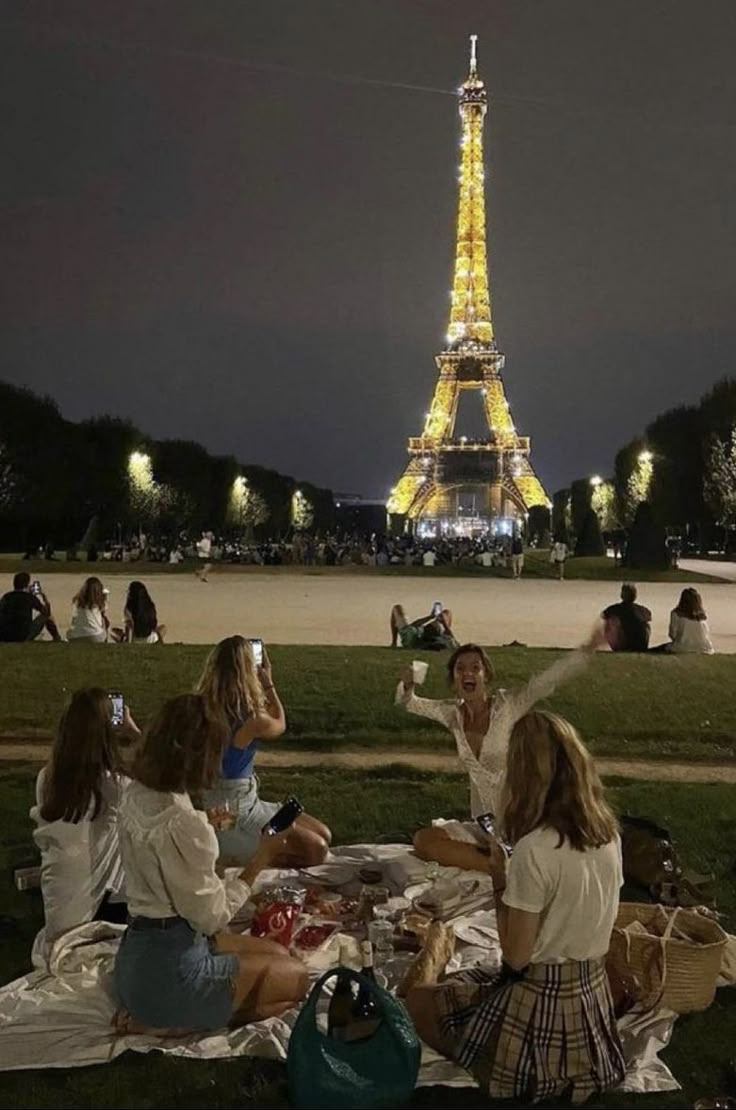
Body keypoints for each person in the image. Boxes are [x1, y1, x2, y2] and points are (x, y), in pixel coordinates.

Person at [406, 710, 625, 1105]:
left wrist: (499, 877)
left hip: (540, 1005)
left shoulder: (536, 849)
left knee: (419, 1000)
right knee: (463, 982)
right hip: (590, 997)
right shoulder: (607, 833)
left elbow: (517, 958)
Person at [113, 694, 308, 1035]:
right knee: (299, 981)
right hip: (173, 975)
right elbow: (212, 916)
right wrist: (261, 857)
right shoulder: (184, 824)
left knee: (282, 953)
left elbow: (164, 841)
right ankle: (170, 1024)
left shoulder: (137, 792)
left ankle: (173, 1013)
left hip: (139, 959)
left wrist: (205, 821)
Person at [397, 627, 605, 872]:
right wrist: (407, 684)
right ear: (454, 679)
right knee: (424, 840)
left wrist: (586, 649)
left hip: (521, 822)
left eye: (476, 667)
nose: (468, 673)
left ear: (486, 676)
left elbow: (546, 682)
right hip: (484, 827)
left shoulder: (507, 706)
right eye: (460, 668)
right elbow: (408, 702)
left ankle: (504, 862)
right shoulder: (451, 714)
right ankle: (500, 865)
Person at [196, 636, 331, 866]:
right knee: (317, 850)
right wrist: (268, 683)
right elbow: (279, 723)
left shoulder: (201, 708)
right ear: (248, 670)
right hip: (235, 818)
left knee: (324, 833)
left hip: (239, 803)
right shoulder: (251, 719)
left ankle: (247, 850)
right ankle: (252, 857)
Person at [30, 689, 139, 966]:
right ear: (105, 734)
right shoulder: (115, 786)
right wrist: (133, 733)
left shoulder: (47, 779)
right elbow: (162, 784)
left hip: (58, 916)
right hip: (87, 924)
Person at [0, 572, 61, 642]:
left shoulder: (6, 596)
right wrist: (44, 597)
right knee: (45, 616)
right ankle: (56, 638)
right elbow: (46, 612)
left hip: (4, 635)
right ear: (27, 584)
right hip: (22, 636)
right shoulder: (29, 597)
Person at [651, 588, 715, 654]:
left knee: (657, 649)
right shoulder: (702, 616)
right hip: (705, 648)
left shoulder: (676, 614)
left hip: (682, 647)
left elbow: (672, 635)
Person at [602, 583, 651, 652]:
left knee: (610, 623)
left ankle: (619, 647)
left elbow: (604, 617)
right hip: (640, 646)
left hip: (623, 644)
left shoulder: (613, 609)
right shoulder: (643, 610)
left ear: (622, 595)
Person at [66, 577, 118, 642]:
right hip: (94, 636)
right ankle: (105, 641)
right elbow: (103, 614)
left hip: (75, 636)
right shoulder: (99, 602)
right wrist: (104, 598)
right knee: (105, 620)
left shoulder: (77, 601)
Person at [390, 603, 458, 651]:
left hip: (413, 638)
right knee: (446, 613)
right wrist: (444, 624)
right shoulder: (443, 639)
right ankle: (394, 643)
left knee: (397, 608)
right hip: (423, 635)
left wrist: (431, 618)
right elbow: (453, 640)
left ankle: (394, 643)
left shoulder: (412, 637)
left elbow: (414, 625)